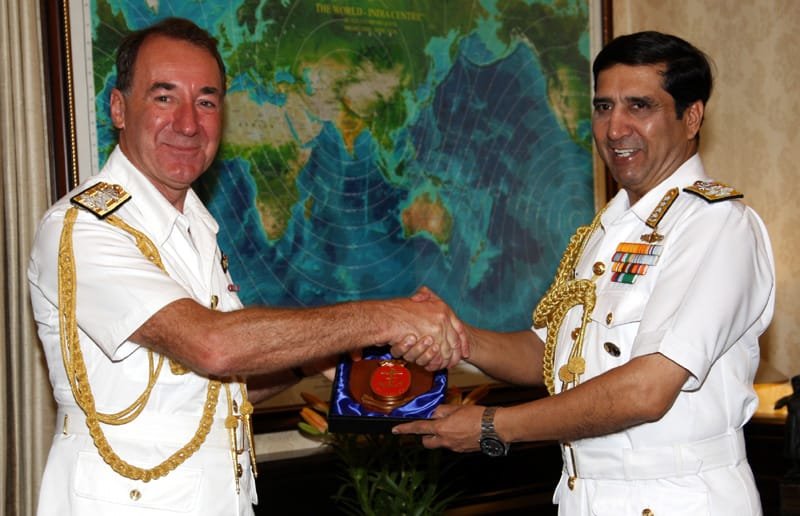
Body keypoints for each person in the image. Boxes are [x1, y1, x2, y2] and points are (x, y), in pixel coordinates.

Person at [28, 18, 464, 516]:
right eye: (164, 97)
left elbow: (214, 388)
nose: (188, 123)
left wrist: (315, 359)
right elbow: (213, 346)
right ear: (119, 108)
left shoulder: (195, 226)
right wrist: (388, 317)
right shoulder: (84, 229)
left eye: (206, 102)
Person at [393, 31, 776, 515]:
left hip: (676, 496)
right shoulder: (607, 228)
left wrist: (495, 426)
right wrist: (454, 335)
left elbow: (647, 389)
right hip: (586, 494)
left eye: (639, 106)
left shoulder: (715, 225)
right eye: (603, 107)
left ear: (692, 117)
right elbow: (551, 354)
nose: (615, 129)